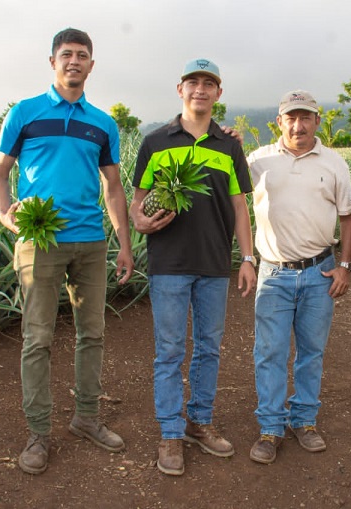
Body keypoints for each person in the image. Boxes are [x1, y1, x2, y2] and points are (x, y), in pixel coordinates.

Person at [0, 28, 134, 475]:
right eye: (66, 54)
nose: (74, 61)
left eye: (82, 55)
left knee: (93, 333)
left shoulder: (103, 123)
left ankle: (86, 417)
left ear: (92, 65)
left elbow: (112, 187)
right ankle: (38, 433)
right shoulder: (24, 113)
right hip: (41, 242)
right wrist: (6, 214)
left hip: (91, 241)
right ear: (52, 61)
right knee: (39, 338)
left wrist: (124, 243)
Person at [129, 58, 256, 476]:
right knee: (169, 351)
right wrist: (139, 220)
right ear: (180, 89)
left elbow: (240, 206)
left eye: (209, 83)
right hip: (168, 262)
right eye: (193, 82)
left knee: (208, 348)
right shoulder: (155, 142)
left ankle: (199, 422)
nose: (200, 89)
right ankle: (170, 432)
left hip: (215, 263)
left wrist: (248, 257)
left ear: (218, 93)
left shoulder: (230, 145)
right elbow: (137, 200)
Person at [245, 90, 351, 464]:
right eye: (291, 118)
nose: (298, 125)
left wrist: (345, 265)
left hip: (320, 272)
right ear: (279, 122)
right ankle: (271, 427)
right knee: (270, 352)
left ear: (317, 121)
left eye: (305, 117)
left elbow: (348, 216)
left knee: (311, 353)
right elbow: (228, 196)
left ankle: (304, 421)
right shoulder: (258, 161)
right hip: (273, 272)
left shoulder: (334, 163)